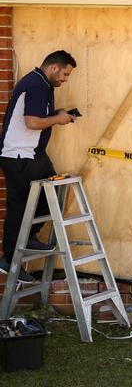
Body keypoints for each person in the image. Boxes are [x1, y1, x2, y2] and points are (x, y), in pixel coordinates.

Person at [0, 50, 77, 283]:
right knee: (19, 206)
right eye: (64, 74)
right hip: (19, 156)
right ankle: (9, 260)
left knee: (52, 195)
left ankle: (30, 236)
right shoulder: (36, 85)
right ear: (53, 67)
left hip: (34, 155)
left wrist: (58, 114)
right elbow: (32, 122)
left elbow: (36, 116)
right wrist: (58, 119)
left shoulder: (42, 84)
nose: (65, 79)